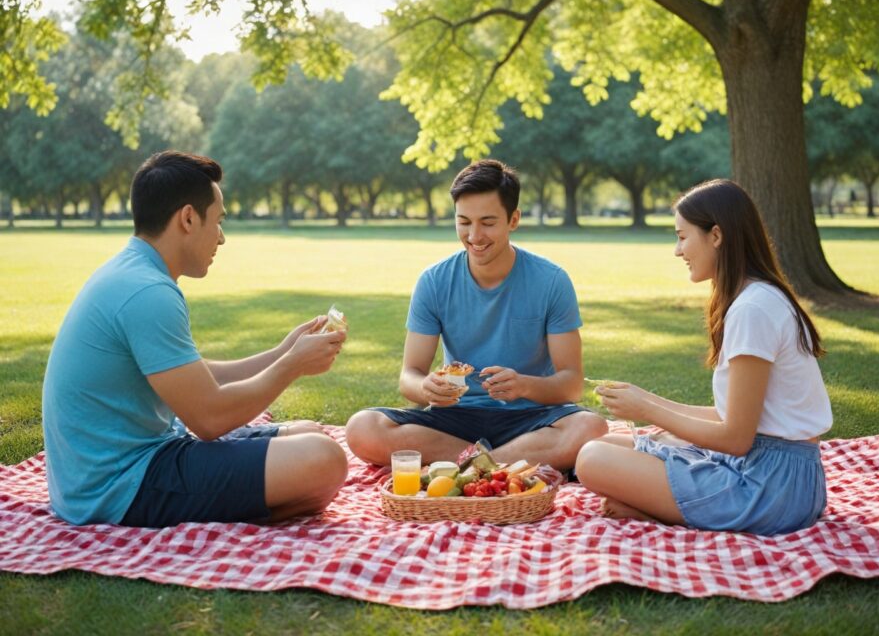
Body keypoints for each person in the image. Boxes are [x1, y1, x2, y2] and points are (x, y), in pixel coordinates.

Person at [42, 150, 348, 527]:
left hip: (109, 474)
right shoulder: (148, 292)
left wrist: (282, 351)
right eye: (218, 221)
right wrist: (293, 365)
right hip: (120, 487)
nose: (221, 238)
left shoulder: (132, 271)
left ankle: (247, 504)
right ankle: (243, 510)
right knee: (325, 460)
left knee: (308, 432)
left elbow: (197, 376)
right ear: (188, 218)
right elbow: (208, 418)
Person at [575, 179, 833, 536]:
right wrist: (646, 399)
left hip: (770, 487)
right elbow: (736, 419)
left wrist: (647, 411)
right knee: (605, 444)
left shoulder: (753, 309)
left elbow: (736, 438)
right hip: (780, 473)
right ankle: (657, 508)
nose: (678, 251)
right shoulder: (756, 298)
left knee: (592, 458)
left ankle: (659, 513)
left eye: (682, 237)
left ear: (716, 235)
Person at [345, 159, 608, 470]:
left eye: (487, 222)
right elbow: (410, 375)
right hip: (454, 419)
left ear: (513, 220)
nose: (474, 235)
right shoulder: (434, 281)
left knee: (591, 428)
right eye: (464, 221)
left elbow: (572, 384)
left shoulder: (551, 281)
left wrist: (524, 386)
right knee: (363, 427)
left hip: (530, 418)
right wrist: (425, 387)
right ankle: (499, 464)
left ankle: (476, 466)